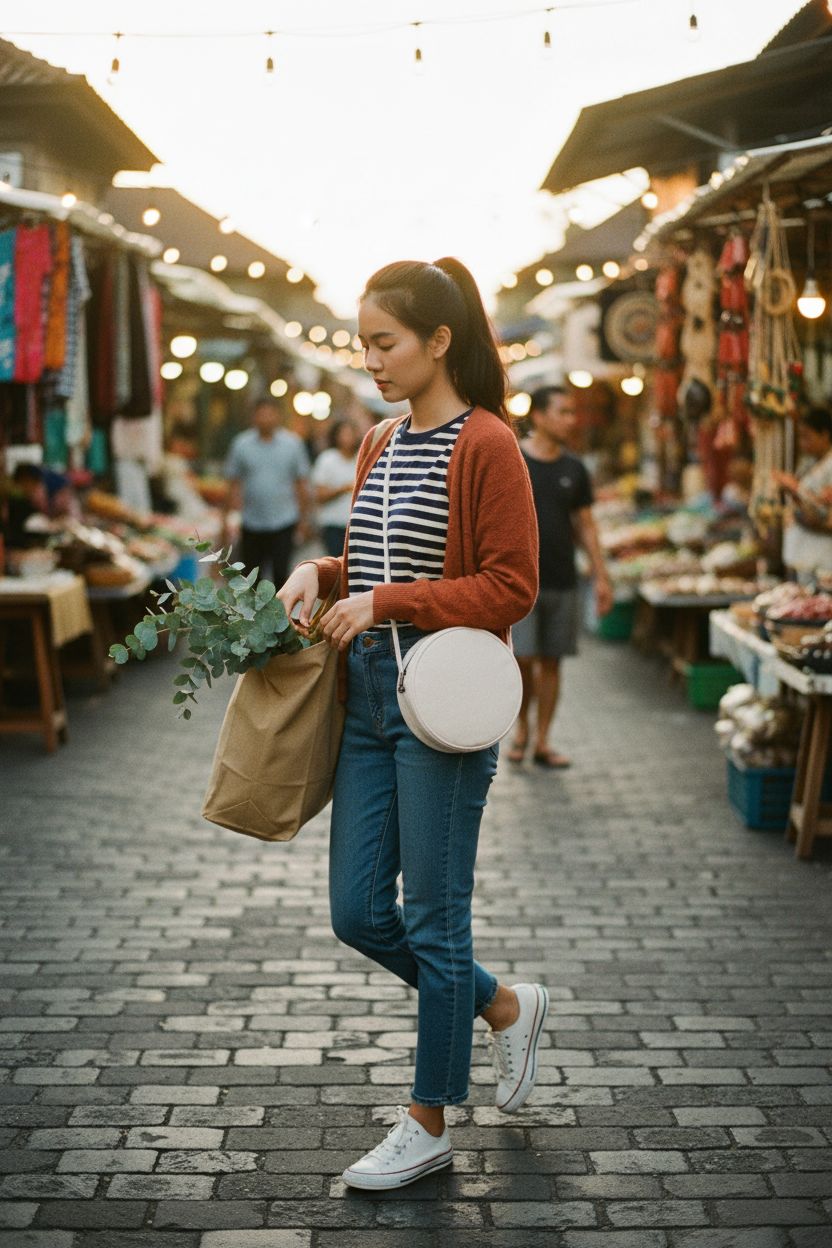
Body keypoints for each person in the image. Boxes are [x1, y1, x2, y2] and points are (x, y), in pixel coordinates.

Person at [277, 257, 547, 1192]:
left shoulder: (489, 446)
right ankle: (503, 1005)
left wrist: (384, 599)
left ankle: (428, 1122)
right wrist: (325, 572)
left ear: (439, 341)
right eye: (364, 345)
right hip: (367, 699)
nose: (372, 362)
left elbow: (513, 588)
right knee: (359, 912)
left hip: (442, 704)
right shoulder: (379, 442)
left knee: (435, 922)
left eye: (385, 343)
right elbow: (376, 555)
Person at [509, 385, 613, 768]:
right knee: (522, 659)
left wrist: (602, 577)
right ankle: (520, 729)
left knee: (553, 661)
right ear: (538, 416)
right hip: (520, 583)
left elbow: (586, 526)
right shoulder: (514, 461)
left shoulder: (574, 468)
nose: (571, 419)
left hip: (563, 578)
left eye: (573, 412)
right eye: (563, 412)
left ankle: (542, 739)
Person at [222, 398, 311, 586]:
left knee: (281, 574)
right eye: (261, 413)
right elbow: (233, 484)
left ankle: (281, 614)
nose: (265, 418)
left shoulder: (292, 444)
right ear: (253, 416)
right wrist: (227, 518)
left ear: (278, 416)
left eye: (270, 413)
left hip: (284, 521)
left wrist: (304, 520)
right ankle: (253, 615)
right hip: (251, 521)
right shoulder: (241, 445)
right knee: (251, 576)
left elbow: (301, 483)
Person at [773, 407, 832, 582]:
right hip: (803, 555)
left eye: (807, 436)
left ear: (825, 435)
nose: (802, 442)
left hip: (822, 558)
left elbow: (823, 514)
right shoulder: (808, 463)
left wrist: (796, 489)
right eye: (800, 436)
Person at [310, 418, 359, 557]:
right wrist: (343, 489)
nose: (347, 438)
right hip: (333, 524)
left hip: (356, 524)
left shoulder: (361, 458)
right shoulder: (327, 459)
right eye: (343, 433)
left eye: (350, 433)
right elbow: (319, 495)